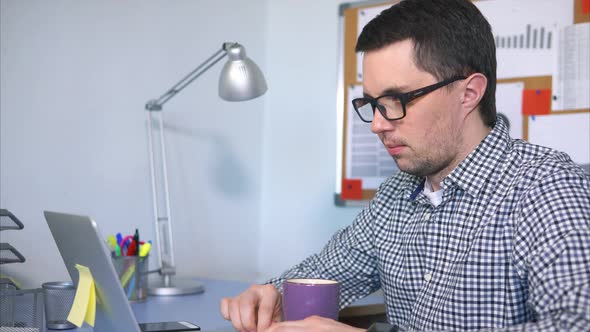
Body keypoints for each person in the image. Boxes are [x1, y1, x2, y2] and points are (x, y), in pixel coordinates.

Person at [220, 0, 590, 331]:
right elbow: (325, 272)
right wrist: (270, 295)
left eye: (396, 99)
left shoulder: (547, 187)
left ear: (469, 93)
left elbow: (577, 322)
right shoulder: (396, 193)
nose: (379, 124)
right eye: (373, 103)